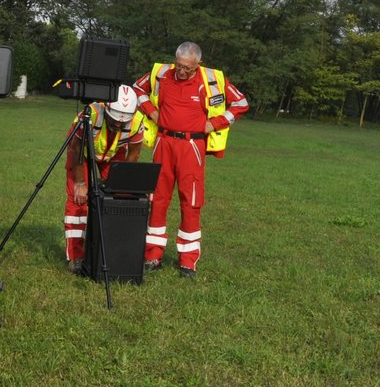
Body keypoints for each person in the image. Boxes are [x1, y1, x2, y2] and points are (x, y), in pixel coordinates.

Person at [132, 42, 248, 278]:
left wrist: (214, 123)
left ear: (199, 65)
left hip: (192, 146)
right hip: (163, 143)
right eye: (179, 66)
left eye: (188, 68)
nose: (181, 72)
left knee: (191, 201)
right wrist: (151, 112)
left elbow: (241, 103)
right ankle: (152, 255)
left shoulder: (213, 79)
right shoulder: (161, 73)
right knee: (157, 198)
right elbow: (136, 89)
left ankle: (187, 261)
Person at [63, 84, 147, 273]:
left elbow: (133, 155)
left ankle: (110, 250)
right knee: (78, 202)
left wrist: (124, 185)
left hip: (113, 156)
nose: (118, 125)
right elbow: (75, 148)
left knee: (119, 199)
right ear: (107, 108)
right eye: (114, 120)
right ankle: (75, 257)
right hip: (82, 156)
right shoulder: (90, 114)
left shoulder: (137, 121)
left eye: (122, 123)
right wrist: (80, 183)